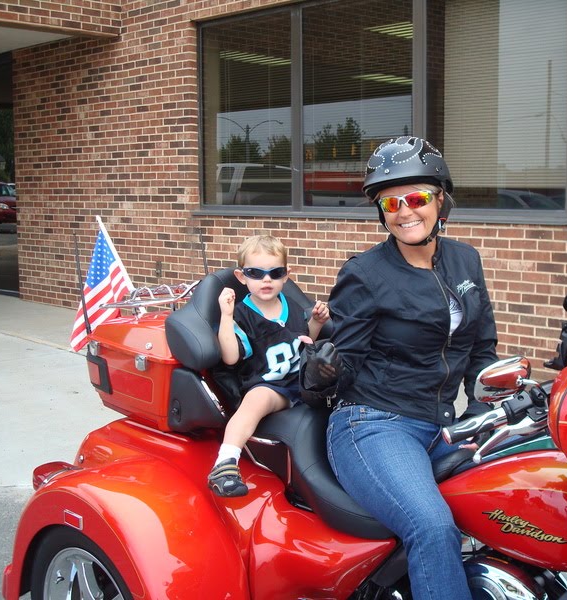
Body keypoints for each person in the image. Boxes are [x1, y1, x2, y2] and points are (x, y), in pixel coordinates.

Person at [304, 136, 499, 599]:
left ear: (440, 200)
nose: (405, 211)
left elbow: (481, 349)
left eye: (417, 198)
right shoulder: (366, 273)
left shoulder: (466, 260)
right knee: (432, 526)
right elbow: (344, 360)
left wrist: (483, 407)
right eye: (391, 203)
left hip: (444, 423)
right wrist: (321, 373)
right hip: (374, 423)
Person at [208, 234, 330, 497]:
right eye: (256, 273)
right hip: (269, 384)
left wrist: (317, 323)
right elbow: (230, 357)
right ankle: (225, 463)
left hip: (302, 380)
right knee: (256, 401)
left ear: (286, 276)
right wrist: (226, 316)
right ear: (242, 277)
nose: (266, 280)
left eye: (275, 273)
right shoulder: (241, 314)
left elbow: (303, 340)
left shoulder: (292, 305)